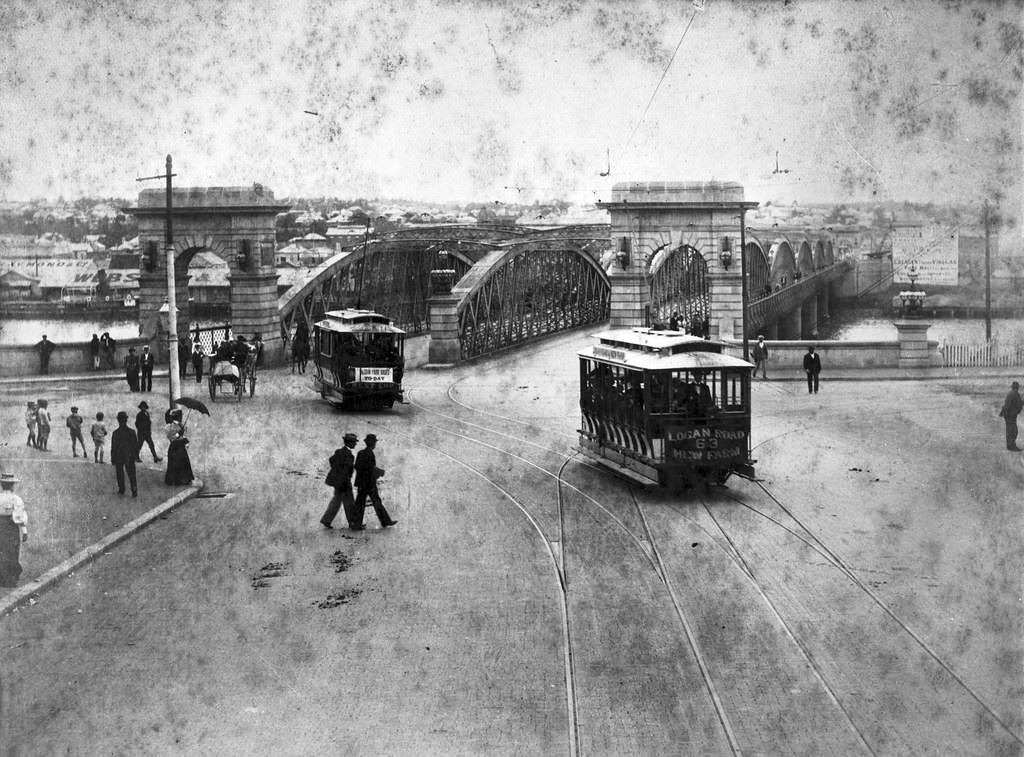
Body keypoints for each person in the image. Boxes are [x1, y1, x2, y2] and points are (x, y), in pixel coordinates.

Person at [353, 434, 397, 530]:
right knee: (376, 502)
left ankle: (356, 524)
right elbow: (370, 468)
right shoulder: (370, 453)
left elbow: (357, 467)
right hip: (369, 482)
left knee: (360, 503)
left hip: (362, 482)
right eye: (374, 442)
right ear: (371, 443)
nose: (375, 444)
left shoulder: (361, 453)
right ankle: (385, 521)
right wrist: (380, 472)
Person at [320, 432, 359, 530]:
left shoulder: (339, 451)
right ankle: (353, 523)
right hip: (344, 482)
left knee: (336, 501)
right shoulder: (348, 455)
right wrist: (344, 477)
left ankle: (326, 520)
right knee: (349, 502)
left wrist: (336, 472)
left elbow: (331, 460)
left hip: (338, 482)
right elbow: (347, 470)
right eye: (354, 442)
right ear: (349, 442)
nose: (355, 444)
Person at [0, 472, 29, 588]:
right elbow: (19, 516)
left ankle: (1, 578)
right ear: (12, 485)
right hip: (11, 527)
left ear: (2, 485)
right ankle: (10, 580)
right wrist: (24, 530)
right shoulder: (16, 499)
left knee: (1, 551)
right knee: (12, 551)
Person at [110, 411, 139, 496]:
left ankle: (121, 488)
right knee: (132, 473)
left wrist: (113, 457)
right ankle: (134, 489)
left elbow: (113, 447)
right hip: (129, 455)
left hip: (119, 455)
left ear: (118, 420)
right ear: (126, 420)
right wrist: (136, 456)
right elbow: (135, 445)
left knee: (120, 473)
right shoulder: (132, 432)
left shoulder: (115, 433)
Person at [164, 410, 194, 486]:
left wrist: (185, 439)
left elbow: (184, 436)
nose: (181, 418)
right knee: (175, 463)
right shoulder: (170, 426)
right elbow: (171, 438)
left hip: (181, 446)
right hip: (174, 447)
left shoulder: (181, 425)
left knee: (184, 462)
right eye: (179, 417)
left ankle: (184, 479)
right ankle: (175, 480)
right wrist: (178, 434)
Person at [998, 381, 1023, 451]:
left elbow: (1018, 403)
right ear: (1017, 387)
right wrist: (1003, 412)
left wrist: (1002, 413)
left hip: (1010, 415)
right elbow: (1008, 405)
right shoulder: (1013, 394)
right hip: (1010, 415)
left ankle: (1010, 445)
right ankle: (1011, 446)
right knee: (1012, 431)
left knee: (1011, 430)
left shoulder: (1013, 394)